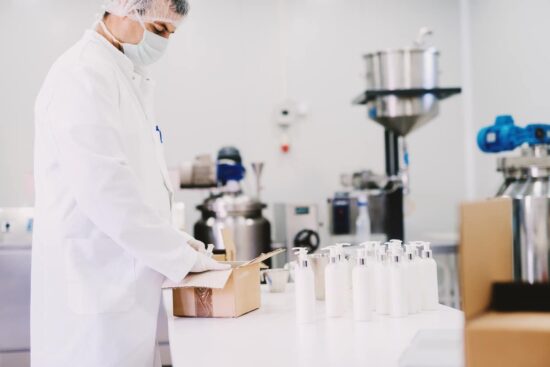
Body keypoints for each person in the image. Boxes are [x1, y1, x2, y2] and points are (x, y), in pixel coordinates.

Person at [32, 1, 229, 366]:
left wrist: (182, 244)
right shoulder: (82, 74)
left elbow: (138, 187)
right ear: (124, 9)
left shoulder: (124, 74)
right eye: (158, 30)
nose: (165, 43)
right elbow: (106, 192)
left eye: (171, 33)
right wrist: (183, 259)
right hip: (92, 296)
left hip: (121, 293)